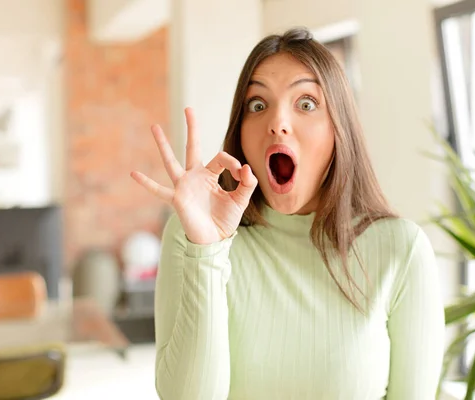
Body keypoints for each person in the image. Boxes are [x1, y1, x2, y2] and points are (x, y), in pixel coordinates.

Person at [131, 27, 445, 400]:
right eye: (258, 105)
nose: (277, 122)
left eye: (306, 103)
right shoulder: (188, 237)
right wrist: (206, 252)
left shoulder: (400, 250)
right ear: (241, 131)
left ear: (338, 129)